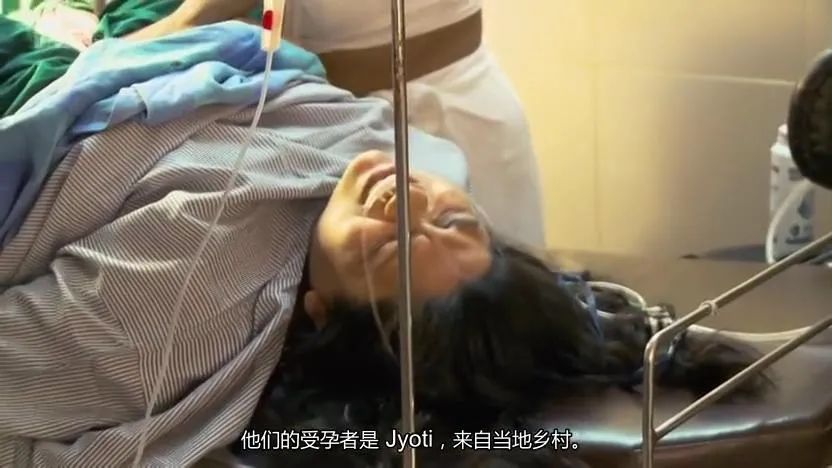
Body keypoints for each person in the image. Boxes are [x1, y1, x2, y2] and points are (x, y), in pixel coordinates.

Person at [128, 0, 548, 250]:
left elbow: (197, 19)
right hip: (334, 127)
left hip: (452, 116)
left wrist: (109, 58)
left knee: (491, 331)